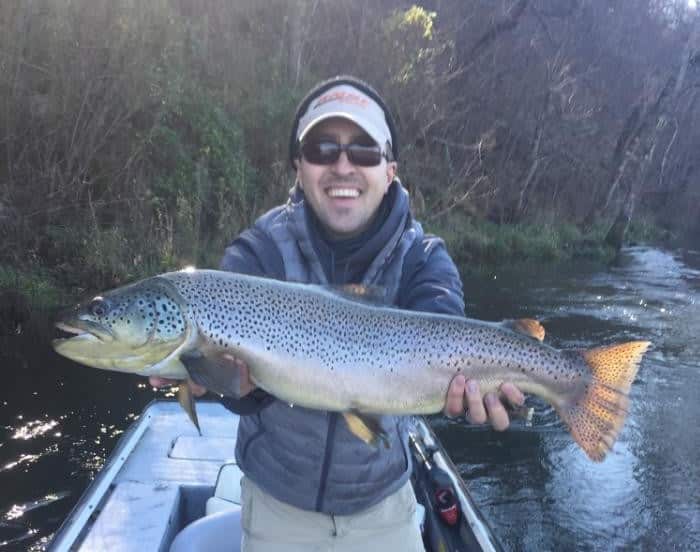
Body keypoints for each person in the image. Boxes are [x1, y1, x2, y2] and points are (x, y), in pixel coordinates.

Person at [151, 75, 524, 551]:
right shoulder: (257, 254)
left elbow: (443, 350)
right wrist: (226, 385)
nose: (342, 165)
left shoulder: (425, 260)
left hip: (385, 510)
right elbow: (240, 393)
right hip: (276, 508)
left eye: (364, 151)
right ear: (298, 168)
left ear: (390, 170)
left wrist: (476, 395)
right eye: (322, 149)